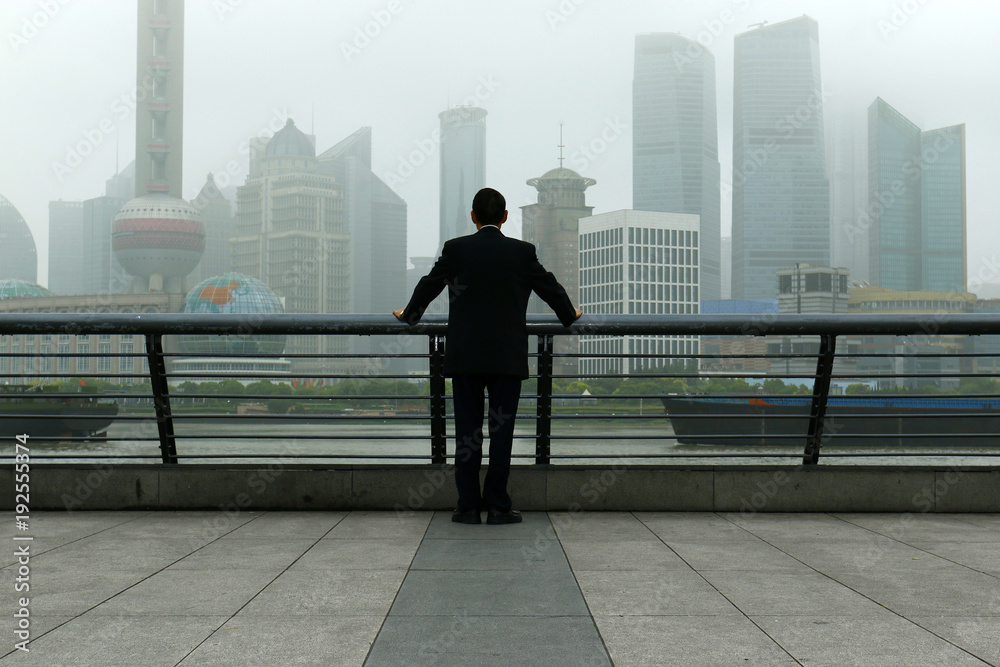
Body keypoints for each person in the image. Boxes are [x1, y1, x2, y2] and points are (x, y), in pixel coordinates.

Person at [394, 188, 582, 525]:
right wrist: (569, 313)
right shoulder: (522, 252)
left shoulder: (457, 249)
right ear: (505, 216)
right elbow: (549, 286)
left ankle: (467, 507)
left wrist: (410, 314)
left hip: (465, 356)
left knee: (467, 432)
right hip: (507, 358)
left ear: (473, 217)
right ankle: (498, 506)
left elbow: (430, 283)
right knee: (502, 432)